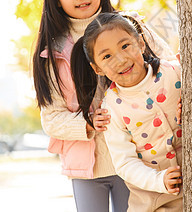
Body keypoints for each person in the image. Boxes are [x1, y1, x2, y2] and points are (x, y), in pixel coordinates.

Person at [32, 0, 174, 212]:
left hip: (138, 157)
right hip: (87, 167)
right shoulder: (51, 53)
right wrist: (87, 123)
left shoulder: (131, 26)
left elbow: (168, 66)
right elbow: (51, 119)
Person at [71, 13, 183, 212]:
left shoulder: (175, 72)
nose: (121, 59)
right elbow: (125, 163)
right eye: (107, 56)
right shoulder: (111, 109)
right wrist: (158, 180)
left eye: (125, 46)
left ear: (140, 43)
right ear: (97, 68)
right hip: (152, 200)